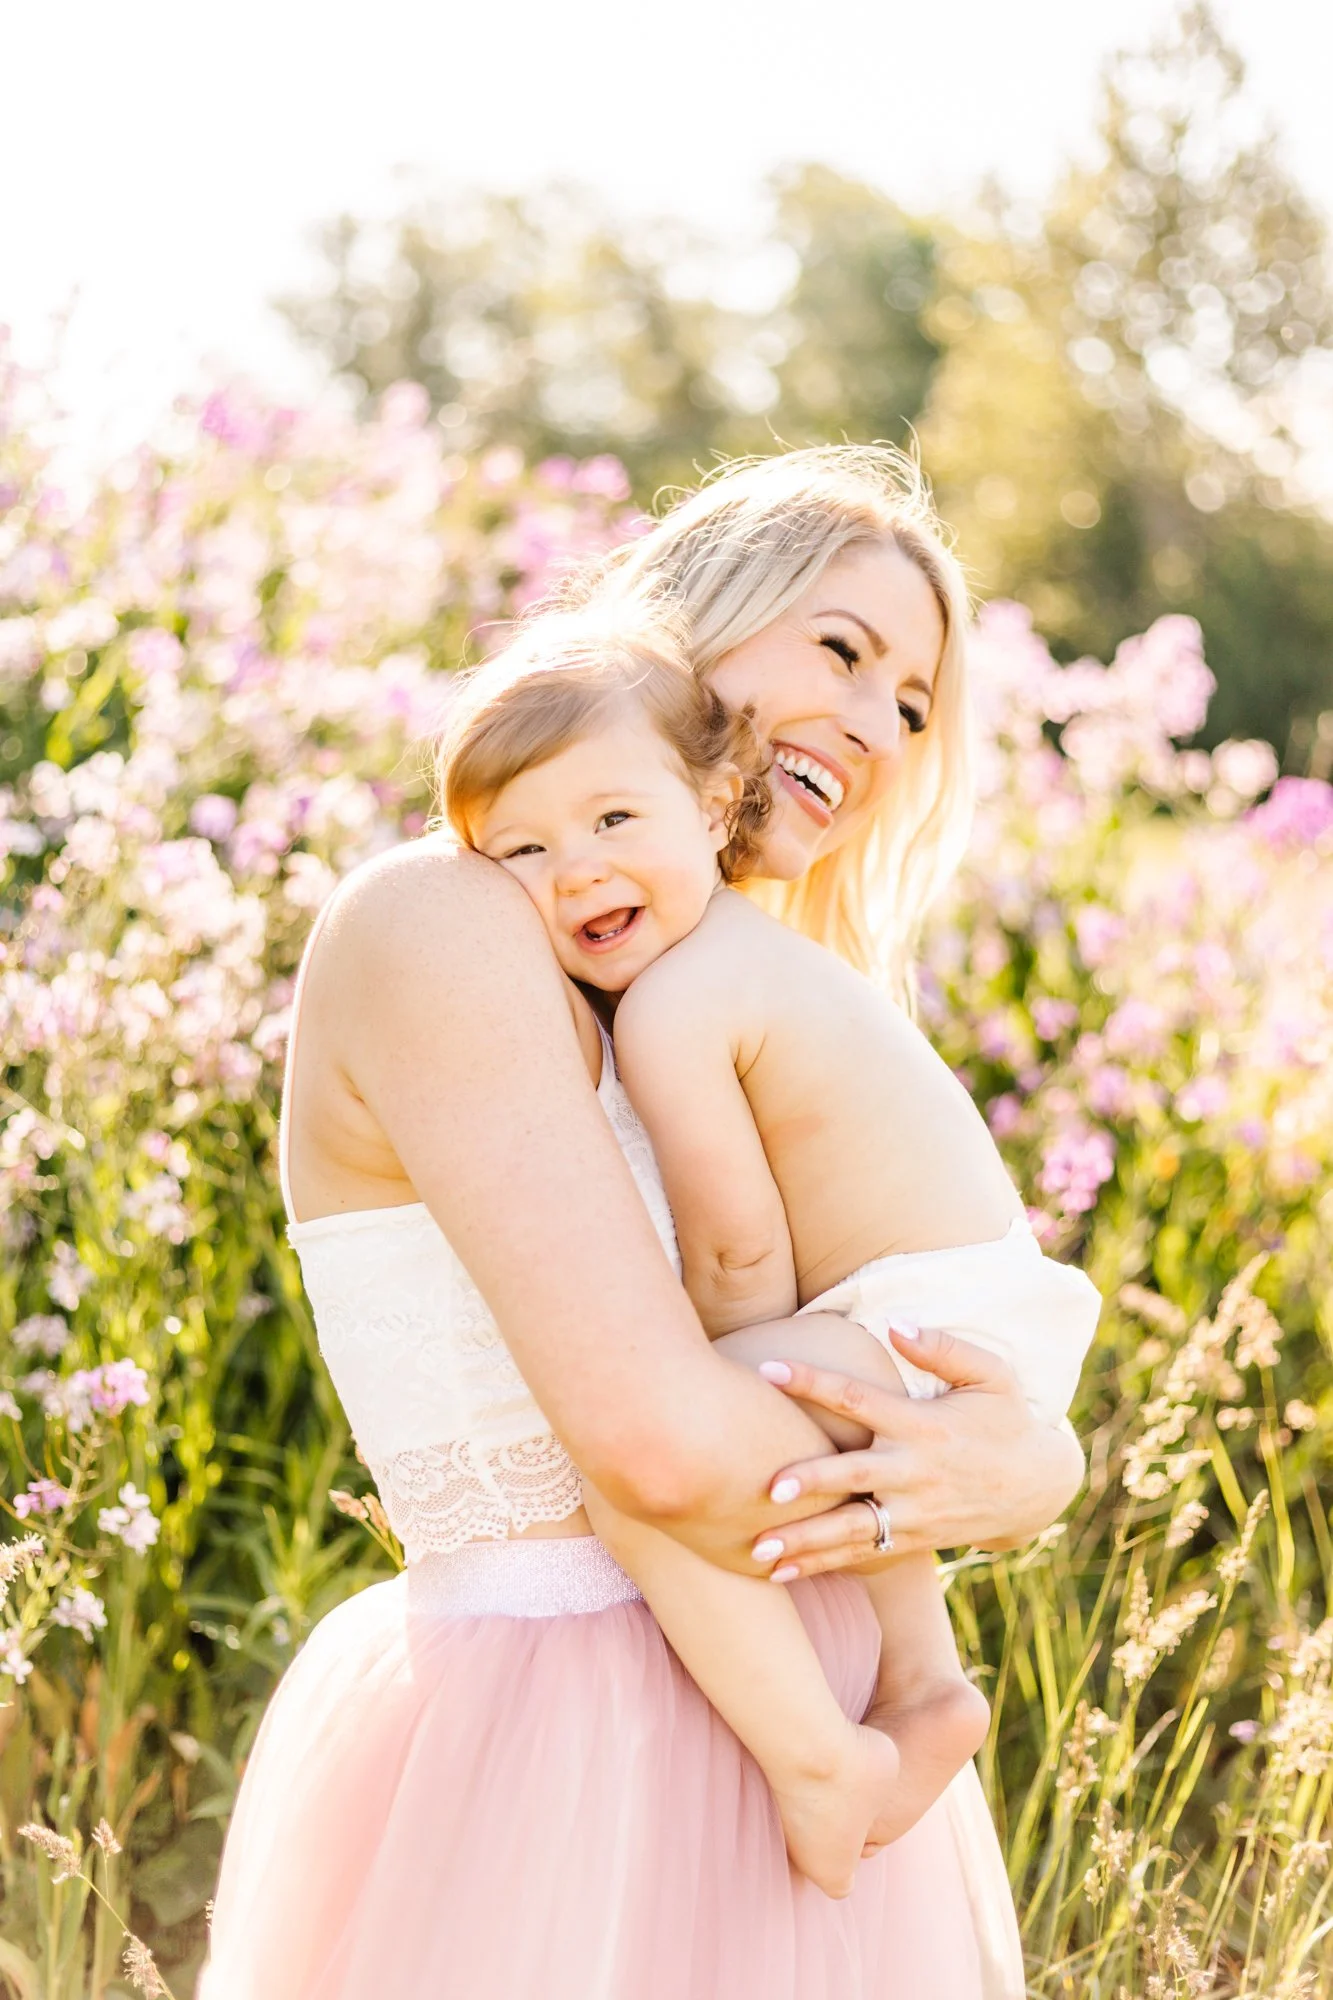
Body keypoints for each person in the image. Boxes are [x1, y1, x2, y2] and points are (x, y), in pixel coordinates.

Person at [200, 446, 1086, 2000]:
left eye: (915, 704)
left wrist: (1022, 1460)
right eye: (843, 648)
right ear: (699, 615)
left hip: (803, 1744)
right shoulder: (446, 920)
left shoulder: (719, 983)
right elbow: (665, 1448)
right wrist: (1007, 1469)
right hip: (562, 1743)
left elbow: (824, 1344)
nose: (880, 726)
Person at [436, 606, 1101, 1900]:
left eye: (615, 823)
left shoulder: (681, 1001)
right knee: (824, 1396)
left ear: (711, 797)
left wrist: (686, 1376)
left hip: (923, 1315)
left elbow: (742, 1258)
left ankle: (817, 1761)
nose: (575, 869)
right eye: (521, 847)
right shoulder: (757, 956)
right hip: (945, 1306)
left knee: (646, 1454)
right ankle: (924, 1680)